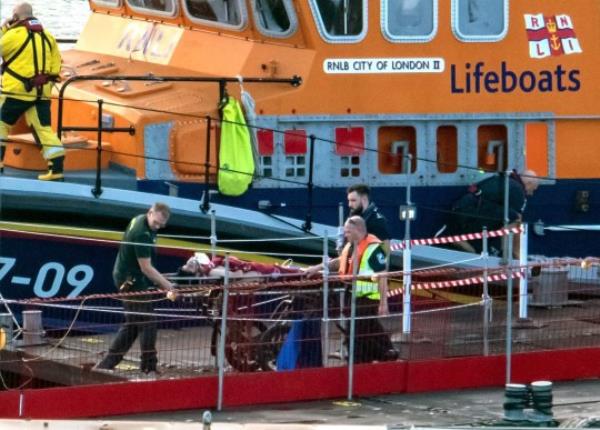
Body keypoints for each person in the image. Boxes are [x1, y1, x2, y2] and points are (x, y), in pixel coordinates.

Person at [95, 203, 177, 376]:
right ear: (150, 213)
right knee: (148, 323)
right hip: (131, 281)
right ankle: (148, 365)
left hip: (127, 274)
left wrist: (158, 279)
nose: (157, 227)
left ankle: (108, 363)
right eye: (156, 223)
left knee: (132, 324)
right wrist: (168, 285)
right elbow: (146, 268)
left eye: (161, 225)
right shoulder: (142, 233)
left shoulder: (139, 219)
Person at [306, 216, 397, 363]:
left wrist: (383, 303)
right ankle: (385, 352)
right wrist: (317, 267)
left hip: (367, 296)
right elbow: (339, 262)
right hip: (352, 294)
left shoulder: (373, 248)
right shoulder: (351, 245)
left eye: (348, 231)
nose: (344, 235)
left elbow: (382, 274)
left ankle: (371, 356)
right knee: (368, 328)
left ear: (358, 230)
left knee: (356, 330)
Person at [0, 2, 65, 180]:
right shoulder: (48, 36)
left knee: (1, 124)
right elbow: (56, 64)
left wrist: (3, 28)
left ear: (15, 17)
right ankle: (56, 170)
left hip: (17, 92)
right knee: (44, 129)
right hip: (42, 92)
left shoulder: (13, 35)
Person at [447, 169, 540, 256]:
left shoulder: (501, 179)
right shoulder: (518, 191)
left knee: (503, 216)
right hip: (472, 215)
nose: (531, 194)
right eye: (533, 189)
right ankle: (507, 254)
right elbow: (517, 220)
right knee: (514, 218)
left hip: (460, 210)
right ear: (528, 183)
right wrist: (519, 255)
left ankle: (463, 241)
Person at [346, 184, 391, 254]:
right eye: (349, 201)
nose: (349, 204)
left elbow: (386, 251)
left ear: (364, 199)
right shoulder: (354, 219)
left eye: (353, 200)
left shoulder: (377, 221)